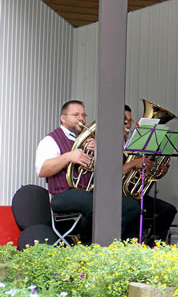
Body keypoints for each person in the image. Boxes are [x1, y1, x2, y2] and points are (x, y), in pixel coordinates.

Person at [35, 100, 140, 243]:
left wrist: (98, 152)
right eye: (76, 115)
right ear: (63, 118)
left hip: (87, 192)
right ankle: (88, 245)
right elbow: (42, 170)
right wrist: (68, 157)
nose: (81, 119)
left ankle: (117, 244)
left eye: (84, 115)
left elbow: (105, 171)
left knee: (131, 207)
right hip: (62, 194)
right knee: (97, 204)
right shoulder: (51, 140)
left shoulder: (89, 139)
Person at [122, 105, 176, 245]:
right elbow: (108, 174)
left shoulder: (136, 143)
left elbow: (144, 175)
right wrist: (133, 163)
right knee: (134, 209)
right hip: (119, 197)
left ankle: (153, 246)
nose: (128, 125)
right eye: (124, 121)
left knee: (168, 210)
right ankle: (128, 245)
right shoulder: (107, 145)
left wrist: (157, 172)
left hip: (137, 195)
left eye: (130, 121)